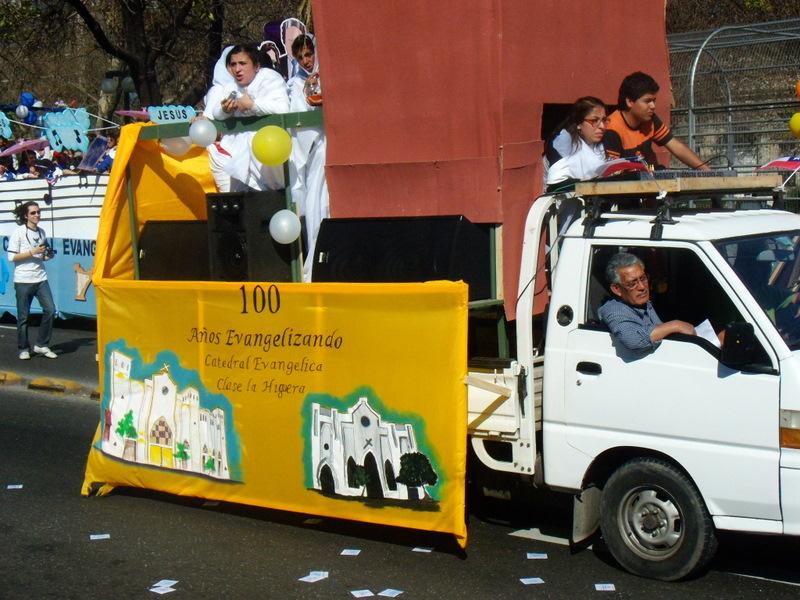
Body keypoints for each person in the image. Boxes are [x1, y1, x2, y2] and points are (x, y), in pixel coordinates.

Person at [205, 44, 290, 192]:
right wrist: (225, 110)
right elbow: (216, 113)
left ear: (256, 66)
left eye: (243, 63)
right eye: (233, 64)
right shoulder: (230, 86)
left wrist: (253, 105)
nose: (237, 69)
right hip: (239, 158)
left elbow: (283, 108)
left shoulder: (269, 78)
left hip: (270, 154)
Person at [604, 72, 710, 171]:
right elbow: (614, 173)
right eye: (647, 101)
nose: (653, 106)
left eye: (654, 101)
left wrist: (706, 171)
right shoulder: (611, 129)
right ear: (630, 102)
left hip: (650, 180)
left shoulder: (650, 119)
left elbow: (676, 147)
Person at [287, 34, 328, 281]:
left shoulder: (330, 73)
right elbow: (295, 117)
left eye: (309, 54)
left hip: (332, 143)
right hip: (313, 151)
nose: (306, 60)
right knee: (316, 202)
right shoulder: (295, 84)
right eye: (300, 56)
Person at [598, 252, 694, 353]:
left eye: (643, 278)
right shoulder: (614, 310)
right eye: (632, 284)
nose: (642, 287)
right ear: (617, 289)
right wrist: (676, 325)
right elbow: (635, 341)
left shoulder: (641, 302)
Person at [7, 201, 57, 360]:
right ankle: (23, 348)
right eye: (33, 213)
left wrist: (47, 256)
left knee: (50, 310)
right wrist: (32, 251)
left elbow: (41, 255)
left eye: (38, 212)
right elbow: (11, 256)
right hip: (23, 280)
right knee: (23, 317)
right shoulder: (18, 232)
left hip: (40, 278)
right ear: (25, 216)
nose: (37, 215)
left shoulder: (42, 232)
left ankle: (41, 344)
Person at [544, 96, 608, 189]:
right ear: (578, 123)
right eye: (594, 121)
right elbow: (557, 185)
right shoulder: (564, 142)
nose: (602, 126)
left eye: (604, 120)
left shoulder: (600, 146)